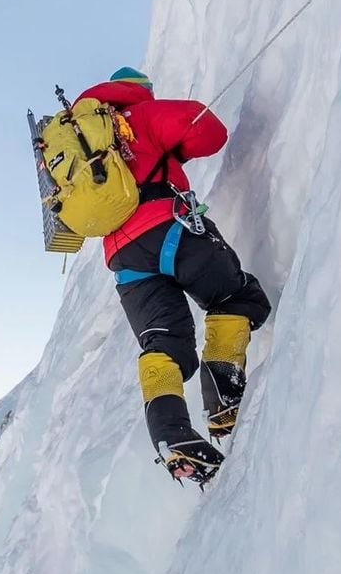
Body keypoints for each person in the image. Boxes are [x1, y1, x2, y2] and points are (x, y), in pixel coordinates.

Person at [77, 67, 270, 482]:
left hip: (125, 262)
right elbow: (210, 132)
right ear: (139, 91)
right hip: (171, 230)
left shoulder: (85, 144)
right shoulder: (136, 118)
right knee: (235, 298)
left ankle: (171, 434)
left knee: (163, 344)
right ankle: (223, 400)